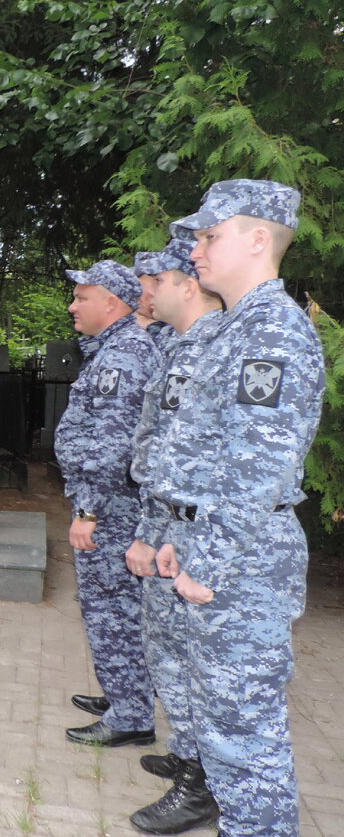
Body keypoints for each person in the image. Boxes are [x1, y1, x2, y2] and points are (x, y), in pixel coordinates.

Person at [148, 180, 325, 837]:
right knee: (224, 738)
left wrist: (211, 561)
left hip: (244, 565)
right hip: (218, 551)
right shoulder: (232, 330)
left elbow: (259, 467)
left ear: (257, 239)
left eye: (209, 234)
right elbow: (205, 450)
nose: (196, 247)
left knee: (247, 747)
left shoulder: (271, 332)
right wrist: (179, 534)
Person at [123, 237, 224, 834]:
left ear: (188, 284)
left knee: (197, 661)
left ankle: (202, 779)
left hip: (196, 535)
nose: (148, 291)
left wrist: (159, 534)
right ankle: (189, 756)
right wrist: (150, 529)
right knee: (170, 652)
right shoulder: (179, 346)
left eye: (157, 279)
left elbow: (192, 463)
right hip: (170, 528)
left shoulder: (212, 348)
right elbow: (161, 456)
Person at [54, 260, 160, 748]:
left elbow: (114, 444)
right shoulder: (111, 349)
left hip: (111, 509)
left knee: (111, 610)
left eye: (82, 297)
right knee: (113, 608)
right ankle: (125, 695)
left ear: (112, 303)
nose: (73, 306)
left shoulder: (124, 355)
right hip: (109, 505)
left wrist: (88, 510)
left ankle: (131, 716)